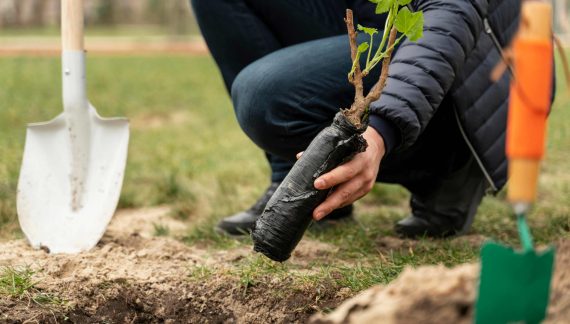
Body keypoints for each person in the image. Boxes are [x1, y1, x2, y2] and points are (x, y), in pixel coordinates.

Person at [190, 0, 524, 238]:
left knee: (263, 95)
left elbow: (448, 19)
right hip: (378, 24)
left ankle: (450, 167)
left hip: (473, 60)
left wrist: (380, 132)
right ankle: (296, 177)